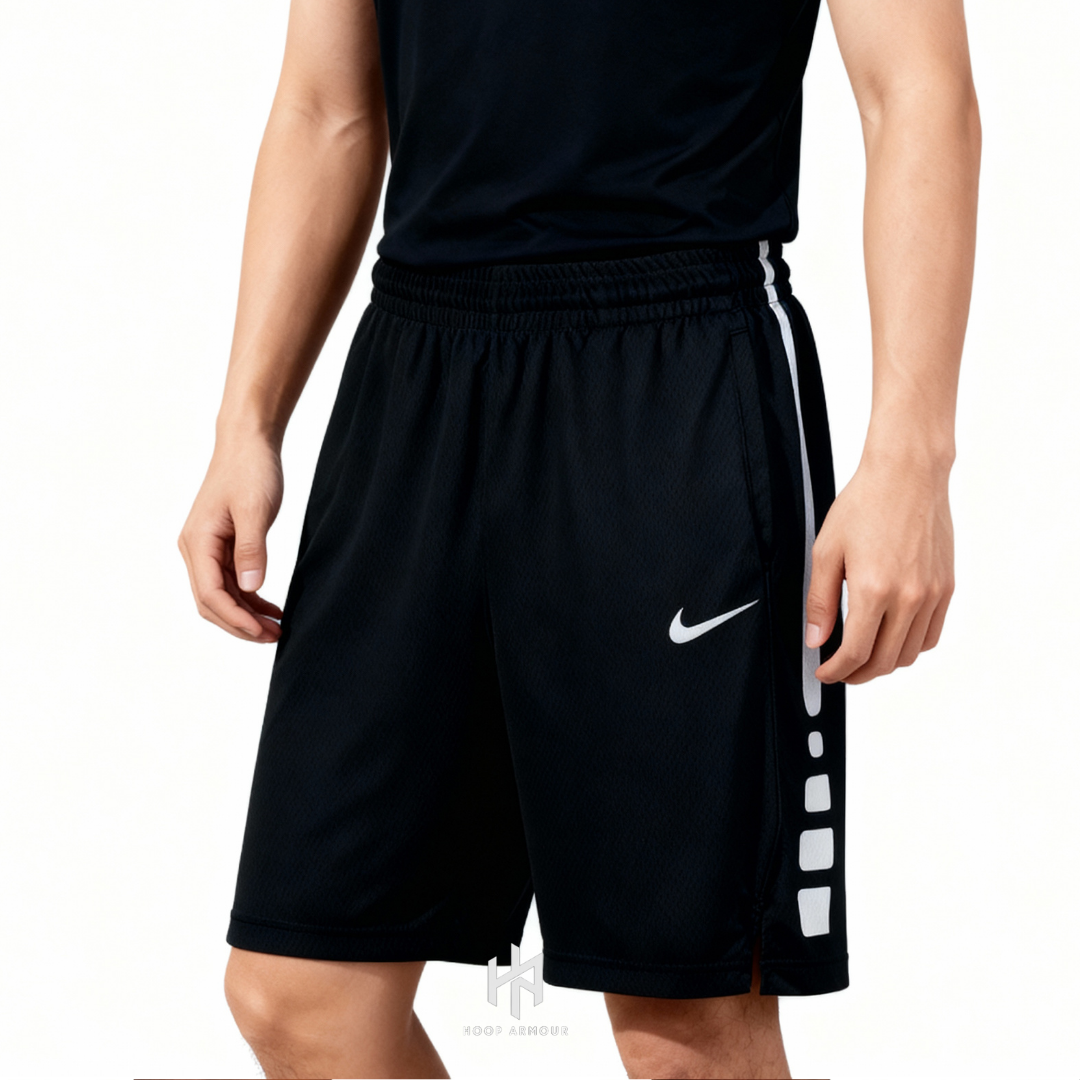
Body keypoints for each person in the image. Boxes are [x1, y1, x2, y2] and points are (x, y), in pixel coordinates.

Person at [178, 0, 980, 1073]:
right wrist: (246, 421)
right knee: (299, 991)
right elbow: (326, 108)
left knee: (684, 1030)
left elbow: (915, 91)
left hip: (675, 367)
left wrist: (913, 458)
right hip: (416, 372)